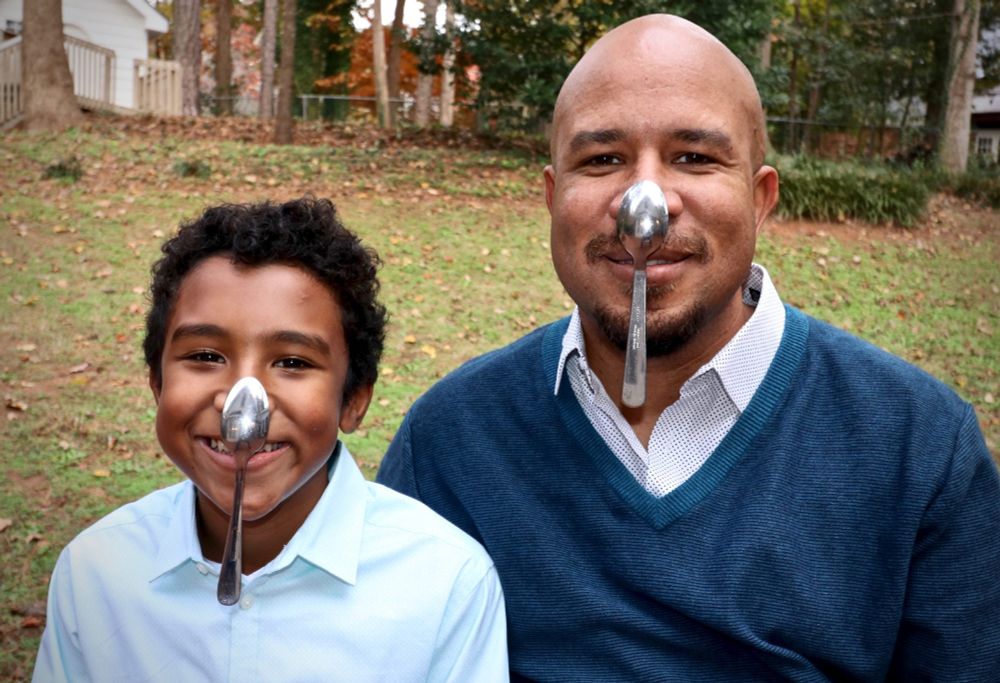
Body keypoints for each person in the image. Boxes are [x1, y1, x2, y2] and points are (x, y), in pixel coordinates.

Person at [376, 14, 1000, 682]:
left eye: (695, 157)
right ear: (554, 199)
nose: (644, 201)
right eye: (602, 159)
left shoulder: (918, 447)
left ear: (760, 200)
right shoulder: (451, 439)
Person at [33, 197, 508, 682]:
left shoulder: (445, 583)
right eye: (205, 356)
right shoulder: (95, 571)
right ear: (157, 383)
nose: (241, 398)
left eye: (293, 362)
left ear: (353, 400)